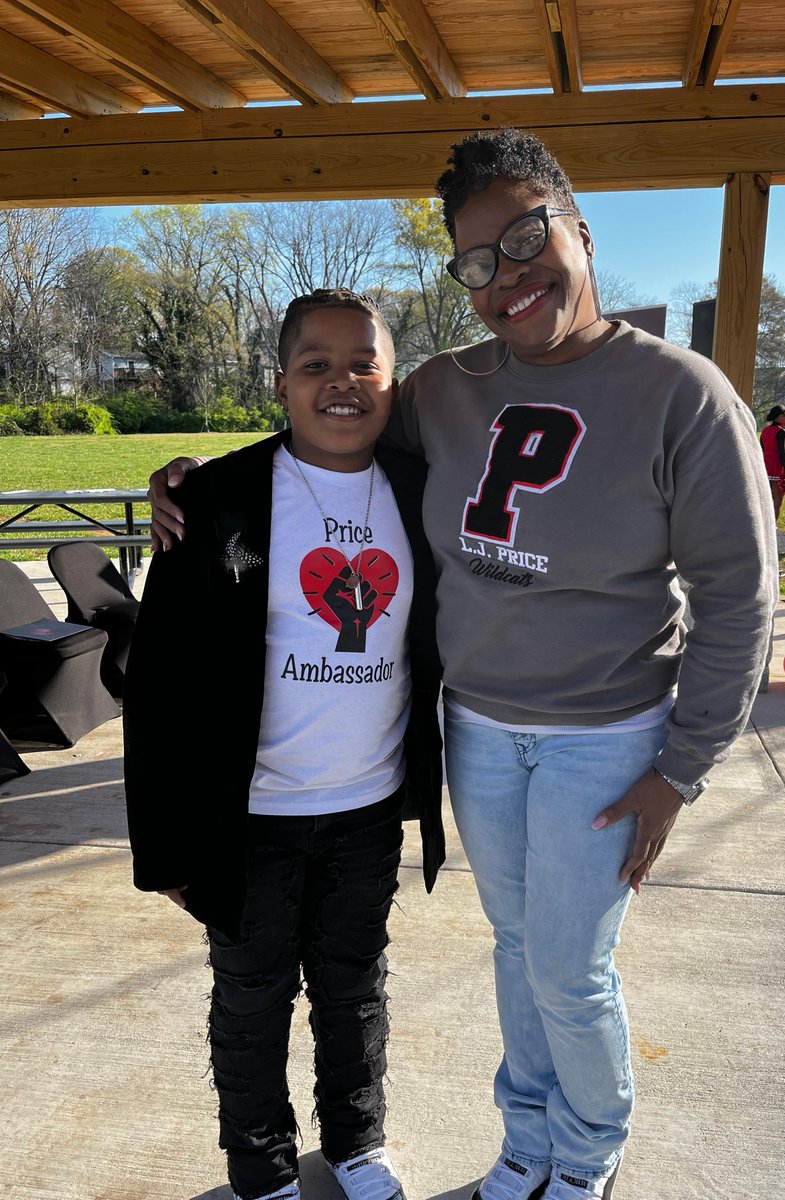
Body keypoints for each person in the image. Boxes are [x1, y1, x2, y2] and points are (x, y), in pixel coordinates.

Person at [146, 130, 778, 1200]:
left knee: (571, 972)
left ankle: (587, 1152)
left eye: (528, 237)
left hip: (607, 738)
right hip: (478, 731)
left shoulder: (683, 392)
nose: (508, 274)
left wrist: (682, 767)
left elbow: (741, 600)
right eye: (478, 261)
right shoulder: (445, 387)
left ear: (580, 230)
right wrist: (206, 482)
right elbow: (331, 428)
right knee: (518, 948)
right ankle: (525, 1138)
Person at [124, 289, 444, 1200]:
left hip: (369, 810)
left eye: (363, 364)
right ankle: (261, 1167)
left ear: (392, 381)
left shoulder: (423, 489)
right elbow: (160, 688)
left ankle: (357, 1143)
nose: (341, 383)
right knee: (252, 1002)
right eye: (316, 365)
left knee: (354, 990)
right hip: (248, 820)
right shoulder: (216, 497)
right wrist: (166, 845)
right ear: (280, 384)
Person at [759, 403, 785, 518]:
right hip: (777, 467)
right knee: (777, 503)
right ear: (780, 417)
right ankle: (773, 529)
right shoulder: (781, 431)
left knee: (766, 500)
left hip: (765, 467)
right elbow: (782, 454)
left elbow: (761, 450)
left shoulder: (765, 431)